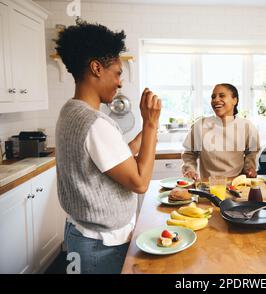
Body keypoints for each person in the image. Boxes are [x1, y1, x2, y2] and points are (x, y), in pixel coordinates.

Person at [55, 20, 161, 273]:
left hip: (82, 236)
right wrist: (150, 126)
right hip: (100, 247)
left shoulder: (71, 111)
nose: (120, 82)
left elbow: (111, 158)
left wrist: (144, 136)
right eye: (117, 73)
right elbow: (139, 183)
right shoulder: (95, 123)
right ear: (96, 68)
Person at [182, 83, 260, 180]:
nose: (216, 100)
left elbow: (251, 153)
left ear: (234, 100)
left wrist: (249, 168)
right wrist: (190, 169)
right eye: (213, 97)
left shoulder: (247, 127)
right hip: (208, 184)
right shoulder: (200, 125)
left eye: (222, 95)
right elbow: (189, 154)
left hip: (236, 184)